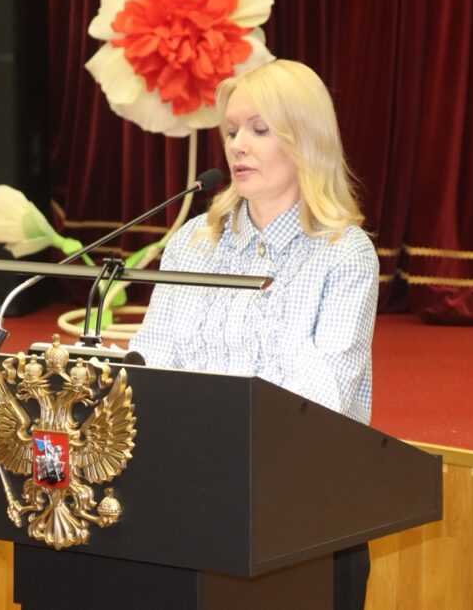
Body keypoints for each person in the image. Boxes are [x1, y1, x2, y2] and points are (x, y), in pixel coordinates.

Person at [130, 59, 378, 609]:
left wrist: (267, 305)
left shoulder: (344, 253)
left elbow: (326, 402)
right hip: (193, 498)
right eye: (231, 131)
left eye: (259, 130)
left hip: (303, 512)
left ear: (306, 140)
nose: (238, 145)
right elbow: (154, 359)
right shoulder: (195, 241)